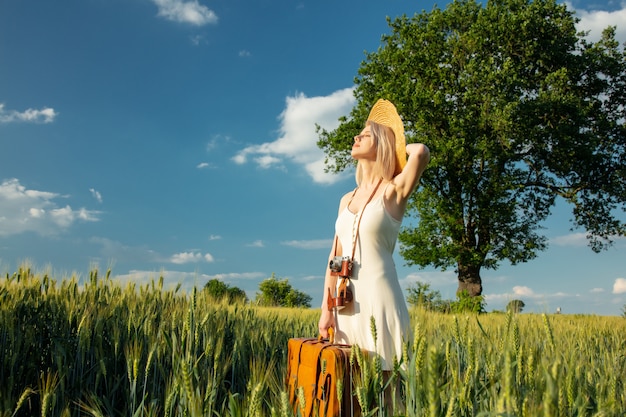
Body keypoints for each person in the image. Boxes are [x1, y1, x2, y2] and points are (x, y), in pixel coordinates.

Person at [318, 99, 430, 372]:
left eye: (366, 135)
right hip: (346, 304)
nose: (356, 136)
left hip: (380, 299)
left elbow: (421, 153)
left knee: (388, 387)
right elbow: (335, 258)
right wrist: (325, 309)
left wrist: (395, 146)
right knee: (351, 389)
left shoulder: (393, 191)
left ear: (382, 145)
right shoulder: (346, 199)